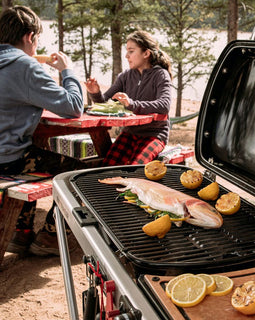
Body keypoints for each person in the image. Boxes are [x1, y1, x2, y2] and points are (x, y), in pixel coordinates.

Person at [0, 6, 87, 256]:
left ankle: (21, 232)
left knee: (33, 153)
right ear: (29, 37)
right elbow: (72, 107)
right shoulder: (25, 66)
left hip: (8, 155)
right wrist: (67, 71)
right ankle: (49, 236)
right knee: (81, 174)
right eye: (37, 40)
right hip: (8, 161)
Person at [85, 30, 172, 166]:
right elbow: (105, 103)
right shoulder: (125, 76)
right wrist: (95, 93)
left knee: (135, 169)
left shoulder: (160, 75)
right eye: (127, 51)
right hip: (129, 133)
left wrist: (131, 104)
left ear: (146, 53)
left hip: (154, 134)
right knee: (106, 167)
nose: (126, 56)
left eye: (131, 51)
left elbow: (164, 105)